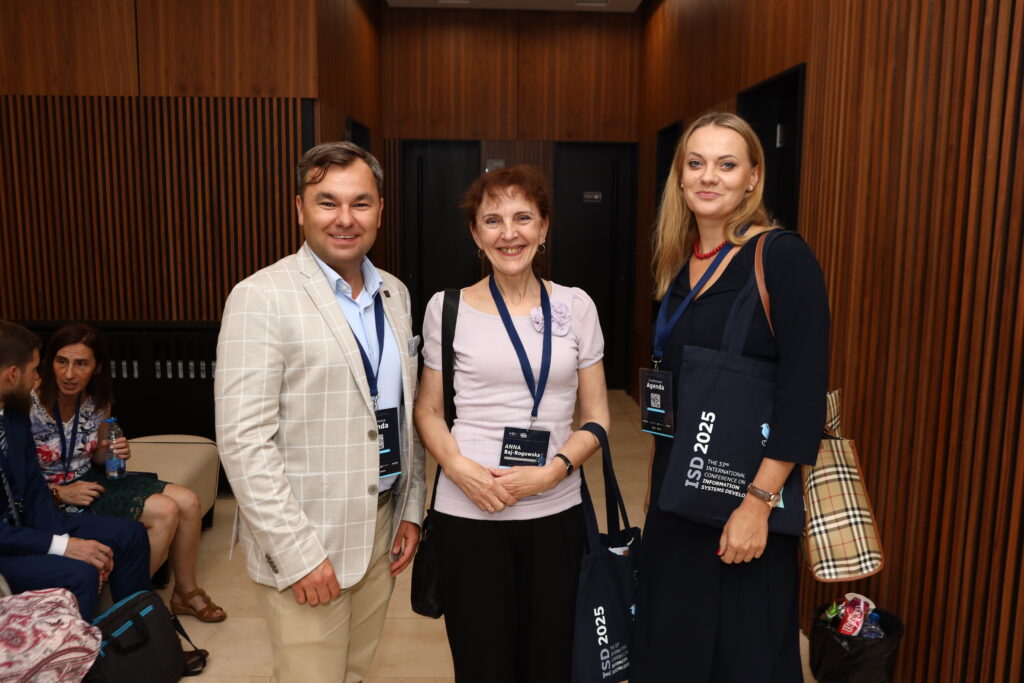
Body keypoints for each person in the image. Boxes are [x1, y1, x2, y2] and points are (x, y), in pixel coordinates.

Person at [215, 141, 426, 682]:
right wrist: (297, 554)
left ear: (380, 210)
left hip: (381, 523)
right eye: (327, 202)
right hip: (308, 534)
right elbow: (243, 442)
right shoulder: (261, 297)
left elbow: (403, 413)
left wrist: (410, 509)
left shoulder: (395, 294)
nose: (345, 219)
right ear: (299, 209)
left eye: (360, 203)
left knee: (354, 672)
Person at [632, 112, 829, 682]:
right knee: (672, 651)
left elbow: (802, 396)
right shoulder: (678, 264)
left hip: (742, 503)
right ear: (680, 176)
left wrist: (757, 505)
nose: (708, 177)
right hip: (678, 499)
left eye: (726, 164)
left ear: (752, 177)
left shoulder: (782, 257)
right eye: (696, 163)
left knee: (739, 657)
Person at [413, 165, 610, 683]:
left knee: (551, 662)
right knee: (482, 663)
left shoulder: (576, 306)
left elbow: (596, 417)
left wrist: (553, 471)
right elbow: (428, 410)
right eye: (493, 220)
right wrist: (458, 468)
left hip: (555, 509)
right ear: (475, 234)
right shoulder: (446, 308)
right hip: (468, 511)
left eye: (523, 217)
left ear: (544, 228)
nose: (509, 233)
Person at [29, 323, 226, 622]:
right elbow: (15, 475)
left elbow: (96, 455)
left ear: (97, 367)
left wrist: (112, 451)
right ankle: (125, 609)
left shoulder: (97, 399)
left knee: (188, 501)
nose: (69, 374)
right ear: (49, 362)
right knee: (165, 510)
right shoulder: (29, 403)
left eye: (81, 364)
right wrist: (60, 491)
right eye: (61, 361)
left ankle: (185, 593)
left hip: (90, 481)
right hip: (51, 493)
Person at [0, 320, 151, 620]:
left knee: (131, 535)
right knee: (81, 572)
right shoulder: (23, 409)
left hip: (29, 524)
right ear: (13, 374)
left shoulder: (14, 416)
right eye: (35, 369)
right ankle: (80, 649)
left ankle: (136, 632)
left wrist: (62, 535)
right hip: (4, 545)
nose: (38, 378)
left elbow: (33, 488)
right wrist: (63, 545)